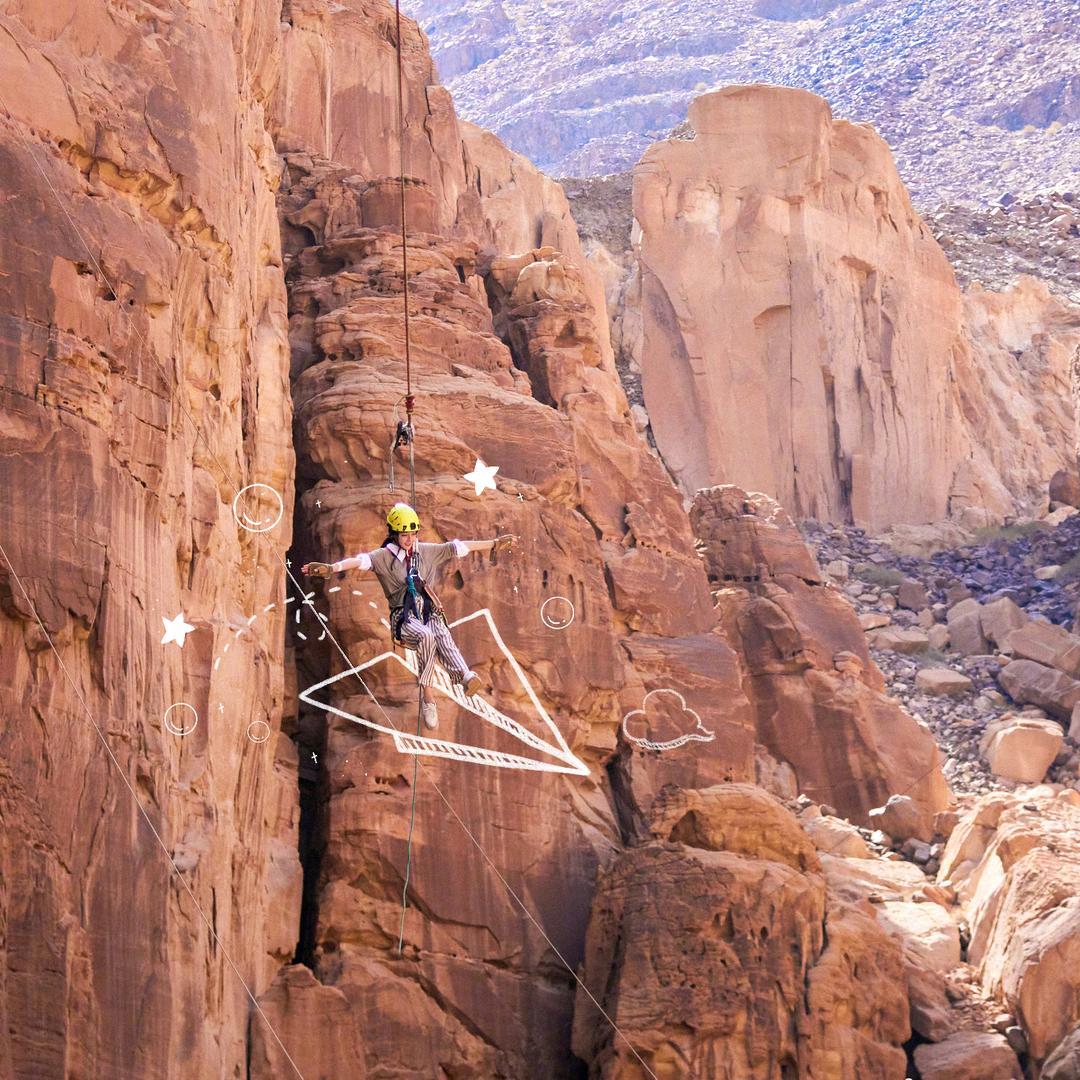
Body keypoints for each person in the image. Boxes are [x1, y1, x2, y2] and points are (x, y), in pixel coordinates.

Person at [302, 503, 515, 730]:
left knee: (441, 633)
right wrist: (332, 568)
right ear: (395, 534)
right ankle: (428, 697)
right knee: (426, 636)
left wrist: (493, 544)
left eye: (413, 534)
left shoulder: (426, 552)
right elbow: (359, 561)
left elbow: (459, 547)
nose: (409, 539)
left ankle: (464, 676)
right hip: (405, 619)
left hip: (428, 612)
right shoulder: (384, 557)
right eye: (404, 535)